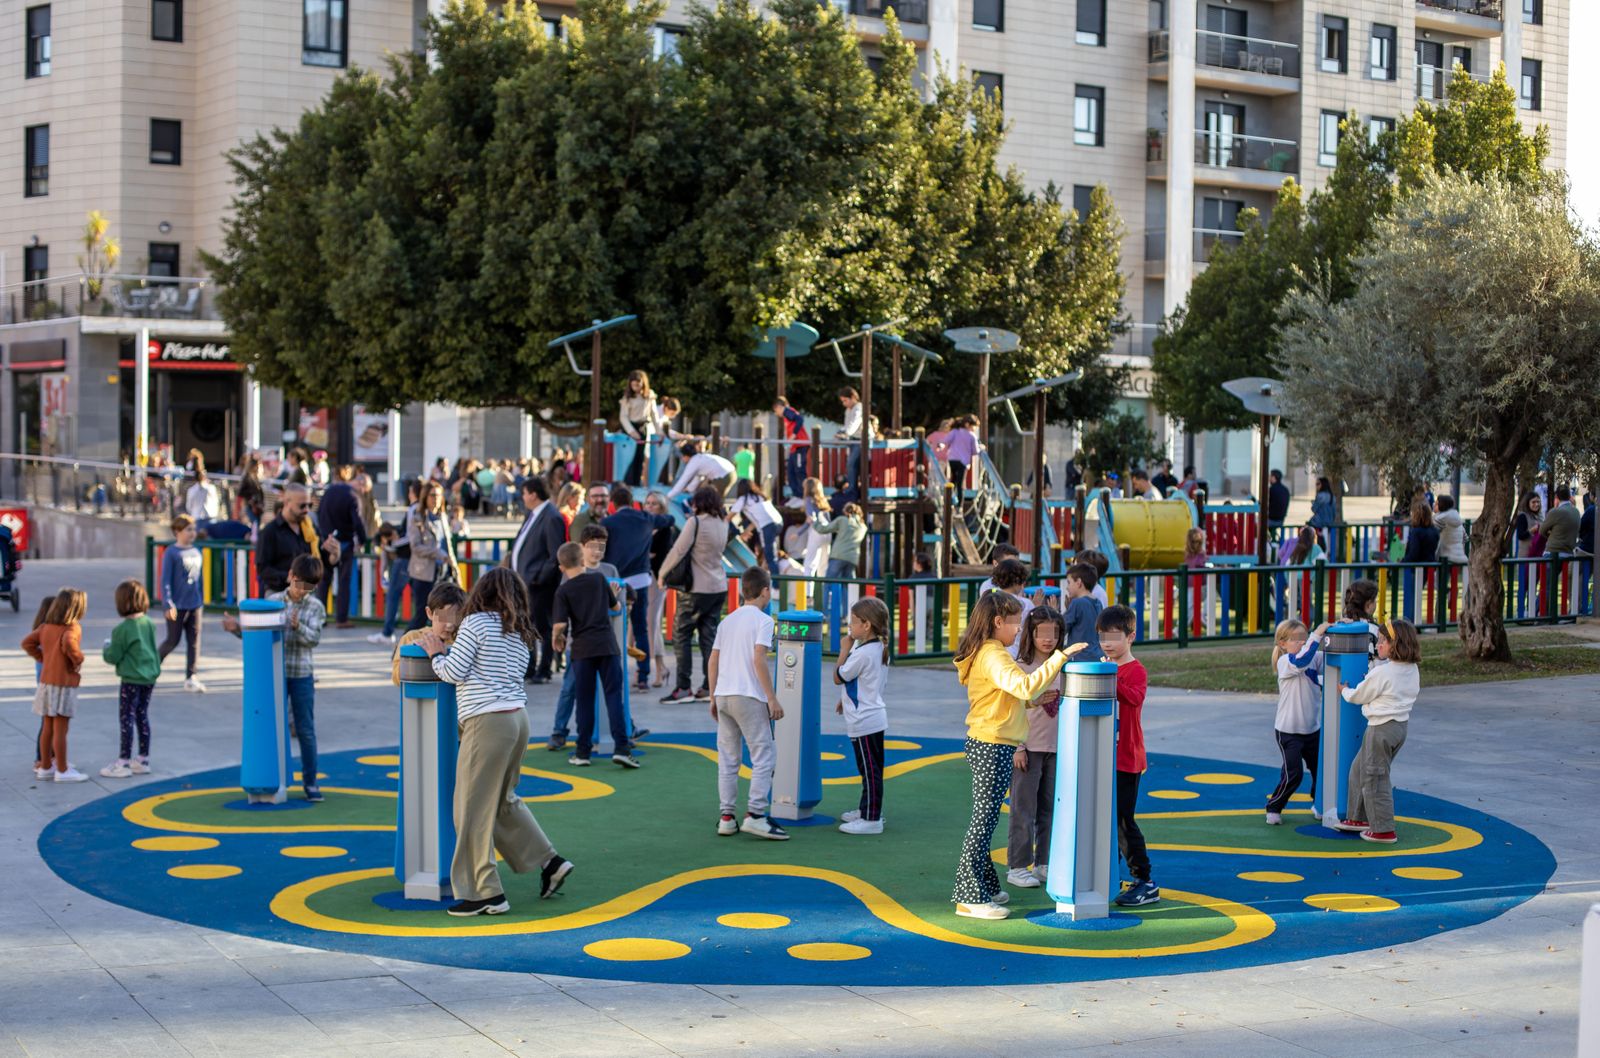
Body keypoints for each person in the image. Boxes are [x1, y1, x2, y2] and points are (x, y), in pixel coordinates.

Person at [417, 567, 573, 915]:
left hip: (487, 722)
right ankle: (550, 861)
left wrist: (435, 653)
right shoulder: (520, 630)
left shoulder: (475, 623)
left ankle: (484, 892)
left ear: (481, 592)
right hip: (518, 720)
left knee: (470, 811)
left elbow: (454, 672)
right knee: (503, 801)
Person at [950, 592, 1081, 920]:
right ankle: (969, 895)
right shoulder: (994, 655)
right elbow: (1022, 686)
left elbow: (1007, 696)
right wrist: (1060, 658)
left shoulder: (991, 653)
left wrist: (1031, 702)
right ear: (998, 623)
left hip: (993, 740)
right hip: (992, 742)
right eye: (1015, 623)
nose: (1019, 630)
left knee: (988, 817)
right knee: (983, 820)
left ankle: (985, 884)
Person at [223, 553, 325, 801]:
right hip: (273, 675)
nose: (302, 591)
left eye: (308, 587)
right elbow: (257, 635)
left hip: (300, 674)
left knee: (305, 730)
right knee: (271, 725)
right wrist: (237, 629)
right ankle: (274, 777)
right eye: (299, 583)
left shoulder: (315, 607)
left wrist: (297, 626)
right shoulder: (273, 601)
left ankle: (310, 782)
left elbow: (314, 639)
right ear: (290, 576)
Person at [708, 566, 788, 840]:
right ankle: (755, 814)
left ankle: (727, 817)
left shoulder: (726, 621)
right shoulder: (764, 621)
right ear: (765, 591)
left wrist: (712, 695)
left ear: (743, 591)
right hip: (748, 695)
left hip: (724, 695)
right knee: (764, 754)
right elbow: (758, 658)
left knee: (728, 759)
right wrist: (771, 697)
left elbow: (713, 660)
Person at [1334, 619, 1421, 844]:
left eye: (1383, 641)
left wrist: (1344, 691)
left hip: (1381, 728)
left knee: (1375, 777)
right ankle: (1358, 817)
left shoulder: (1384, 672)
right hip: (1399, 727)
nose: (1378, 645)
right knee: (1360, 769)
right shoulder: (1411, 669)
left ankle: (1383, 829)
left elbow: (1359, 695)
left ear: (1396, 645)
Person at [552, 542, 638, 769]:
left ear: (561, 568)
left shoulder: (563, 591)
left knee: (585, 701)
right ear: (583, 560)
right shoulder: (599, 580)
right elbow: (616, 608)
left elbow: (560, 624)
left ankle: (582, 751)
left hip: (582, 650)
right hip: (606, 645)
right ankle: (621, 748)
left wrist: (556, 638)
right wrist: (615, 599)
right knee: (613, 697)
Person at [1005, 605, 1070, 888]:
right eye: (1042, 633)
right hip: (1029, 747)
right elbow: (1014, 708)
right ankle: (1018, 866)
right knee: (1023, 808)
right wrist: (1018, 747)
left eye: (1053, 633)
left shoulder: (1063, 667)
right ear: (1030, 634)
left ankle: (1044, 862)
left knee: (1050, 808)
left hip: (1056, 748)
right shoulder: (1021, 667)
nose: (1048, 639)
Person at [1098, 605, 1157, 907]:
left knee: (1123, 820)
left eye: (1113, 637)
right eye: (1102, 637)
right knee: (1102, 818)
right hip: (1103, 756)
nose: (1107, 643)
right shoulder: (1105, 668)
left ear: (1131, 636)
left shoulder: (1136, 671)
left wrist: (1111, 677)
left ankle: (1145, 879)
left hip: (1127, 758)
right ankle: (1109, 873)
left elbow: (1134, 698)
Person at [660, 485, 730, 703]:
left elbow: (678, 550)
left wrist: (662, 573)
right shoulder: (723, 523)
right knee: (709, 637)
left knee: (681, 636)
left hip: (697, 588)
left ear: (699, 503)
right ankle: (710, 686)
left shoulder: (695, 522)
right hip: (719, 586)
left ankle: (683, 687)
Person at [602, 484, 675, 692]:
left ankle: (614, 673)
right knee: (641, 627)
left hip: (617, 581)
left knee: (615, 627)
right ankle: (643, 675)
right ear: (631, 501)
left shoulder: (608, 522)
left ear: (613, 504)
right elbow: (669, 520)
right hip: (641, 579)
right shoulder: (645, 518)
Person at [834, 596, 890, 836]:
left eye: (853, 622)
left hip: (864, 720)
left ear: (866, 625)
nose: (850, 627)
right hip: (872, 716)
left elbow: (839, 676)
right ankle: (867, 809)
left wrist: (843, 650)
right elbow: (866, 682)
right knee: (870, 769)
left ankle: (872, 819)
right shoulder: (877, 648)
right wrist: (844, 699)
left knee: (869, 771)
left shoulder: (860, 653)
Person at [23, 587, 90, 783]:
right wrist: (77, 660)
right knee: (61, 728)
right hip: (63, 683)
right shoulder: (72, 628)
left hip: (46, 682)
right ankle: (62, 769)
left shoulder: (45, 628)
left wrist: (44, 658)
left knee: (48, 727)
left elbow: (27, 643)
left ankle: (45, 766)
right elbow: (69, 644)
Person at [1265, 619, 1328, 825]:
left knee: (1322, 771)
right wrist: (1317, 634)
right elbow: (1302, 660)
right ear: (1283, 644)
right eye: (1296, 639)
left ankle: (1319, 804)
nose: (1302, 642)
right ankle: (1274, 807)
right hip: (1288, 731)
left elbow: (1332, 658)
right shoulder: (1286, 662)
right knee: (1294, 774)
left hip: (1312, 730)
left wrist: (1339, 629)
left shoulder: (1314, 658)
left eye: (1305, 637)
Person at [97, 580, 162, 778]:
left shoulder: (122, 629)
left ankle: (123, 762)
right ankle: (143, 759)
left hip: (131, 678)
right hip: (149, 677)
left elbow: (113, 656)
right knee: (142, 715)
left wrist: (107, 647)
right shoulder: (149, 623)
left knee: (126, 718)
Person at [511, 476, 567, 684]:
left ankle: (544, 669)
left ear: (533, 494)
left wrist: (538, 578)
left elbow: (555, 554)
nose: (523, 497)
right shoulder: (533, 514)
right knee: (527, 625)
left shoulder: (551, 516)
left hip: (539, 585)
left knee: (541, 626)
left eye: (524, 493)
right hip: (524, 582)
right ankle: (530, 667)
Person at [316, 467, 369, 628]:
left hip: (326, 541)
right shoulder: (353, 497)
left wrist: (324, 535)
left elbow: (319, 512)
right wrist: (362, 539)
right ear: (360, 484)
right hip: (344, 543)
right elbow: (357, 521)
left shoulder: (330, 490)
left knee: (324, 581)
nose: (364, 494)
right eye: (365, 490)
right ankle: (341, 618)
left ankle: (320, 618)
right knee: (344, 581)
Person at [159, 514, 207, 692]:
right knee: (173, 640)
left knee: (194, 640)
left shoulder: (196, 551)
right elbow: (165, 580)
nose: (192, 533)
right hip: (176, 606)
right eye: (188, 530)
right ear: (177, 531)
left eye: (193, 529)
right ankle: (153, 666)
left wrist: (200, 600)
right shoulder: (171, 553)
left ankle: (191, 676)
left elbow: (199, 580)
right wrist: (167, 603)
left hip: (194, 604)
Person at [256, 483, 331, 594]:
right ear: (287, 503)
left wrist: (334, 555)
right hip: (279, 593)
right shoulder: (270, 531)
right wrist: (289, 579)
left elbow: (323, 560)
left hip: (307, 593)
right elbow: (263, 568)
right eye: (302, 506)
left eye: (309, 505)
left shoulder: (311, 528)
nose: (306, 510)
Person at [405, 481, 458, 633]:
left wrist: (452, 563)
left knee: (446, 615)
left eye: (439, 495)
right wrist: (437, 553)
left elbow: (447, 544)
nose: (436, 499)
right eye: (433, 495)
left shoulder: (442, 517)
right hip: (423, 573)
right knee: (422, 614)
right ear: (425, 497)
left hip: (443, 571)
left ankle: (444, 647)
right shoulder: (418, 517)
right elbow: (415, 546)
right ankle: (402, 648)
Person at [390, 582, 465, 685]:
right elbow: (396, 679)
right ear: (429, 613)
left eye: (456, 618)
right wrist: (414, 653)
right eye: (444, 617)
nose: (450, 625)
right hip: (419, 698)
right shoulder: (411, 637)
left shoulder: (462, 640)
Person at [644, 492, 677, 688]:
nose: (649, 507)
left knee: (651, 623)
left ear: (662, 508)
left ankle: (657, 668)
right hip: (643, 580)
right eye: (647, 503)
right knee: (644, 625)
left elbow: (660, 556)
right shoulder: (643, 526)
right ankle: (657, 668)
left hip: (657, 580)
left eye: (654, 504)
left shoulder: (665, 529)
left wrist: (648, 555)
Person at [618, 370, 662, 488]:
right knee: (629, 457)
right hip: (631, 429)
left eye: (638, 384)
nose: (636, 388)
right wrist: (632, 431)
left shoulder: (649, 395)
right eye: (633, 385)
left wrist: (660, 432)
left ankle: (636, 483)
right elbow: (623, 417)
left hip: (643, 428)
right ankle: (627, 483)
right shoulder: (627, 398)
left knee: (640, 457)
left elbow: (654, 415)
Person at [730, 479, 783, 573]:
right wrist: (747, 531)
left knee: (770, 557)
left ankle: (775, 585)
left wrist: (738, 532)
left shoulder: (743, 499)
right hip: (778, 522)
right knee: (768, 553)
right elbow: (758, 520)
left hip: (768, 526)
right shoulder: (760, 496)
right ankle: (765, 573)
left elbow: (729, 517)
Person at [667, 440, 737, 501]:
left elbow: (683, 481)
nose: (682, 459)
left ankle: (718, 514)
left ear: (686, 456)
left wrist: (667, 496)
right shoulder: (700, 458)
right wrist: (688, 489)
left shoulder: (693, 462)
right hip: (731, 472)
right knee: (715, 498)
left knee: (712, 499)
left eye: (682, 457)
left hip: (723, 476)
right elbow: (697, 478)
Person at [773, 396, 810, 499]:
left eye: (776, 410)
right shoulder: (786, 416)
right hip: (795, 447)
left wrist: (793, 435)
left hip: (800, 445)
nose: (776, 413)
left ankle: (802, 496)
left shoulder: (787, 412)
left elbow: (800, 419)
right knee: (790, 472)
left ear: (779, 407)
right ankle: (797, 495)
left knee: (799, 471)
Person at [820, 502, 867, 579]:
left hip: (838, 555)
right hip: (852, 558)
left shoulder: (842, 520)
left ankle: (827, 592)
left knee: (828, 581)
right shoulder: (863, 527)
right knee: (848, 584)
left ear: (846, 511)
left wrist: (815, 522)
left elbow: (824, 529)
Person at [1062, 564, 1103, 652]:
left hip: (1078, 657)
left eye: (1069, 582)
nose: (1067, 587)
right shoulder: (1098, 602)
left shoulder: (1077, 603)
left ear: (1079, 583)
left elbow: (1062, 627)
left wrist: (1053, 612)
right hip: (1096, 654)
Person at [942, 415, 978, 506]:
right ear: (967, 425)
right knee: (960, 483)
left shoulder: (954, 431)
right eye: (973, 426)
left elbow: (946, 440)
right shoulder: (971, 436)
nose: (974, 429)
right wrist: (981, 448)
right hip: (963, 461)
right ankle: (959, 506)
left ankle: (949, 500)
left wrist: (940, 445)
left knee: (953, 479)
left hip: (952, 459)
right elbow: (975, 451)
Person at [801, 477, 832, 577]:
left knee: (810, 563)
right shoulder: (823, 501)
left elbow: (811, 518)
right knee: (824, 564)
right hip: (827, 530)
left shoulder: (808, 500)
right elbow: (828, 519)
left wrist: (798, 533)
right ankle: (824, 591)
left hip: (817, 530)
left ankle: (808, 592)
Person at [837, 387, 864, 493]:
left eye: (845, 400)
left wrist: (846, 433)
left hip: (861, 440)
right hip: (853, 440)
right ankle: (853, 487)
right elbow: (847, 425)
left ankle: (851, 489)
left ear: (853, 397)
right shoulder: (848, 410)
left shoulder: (859, 408)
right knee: (852, 464)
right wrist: (841, 432)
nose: (844, 404)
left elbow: (854, 423)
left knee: (851, 463)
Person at [1542, 485, 1580, 556]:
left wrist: (1553, 534)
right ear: (1569, 496)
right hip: (1569, 552)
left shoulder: (1555, 511)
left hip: (1553, 552)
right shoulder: (1576, 512)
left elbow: (1542, 530)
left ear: (1556, 497)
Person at [1400, 499, 1439, 564]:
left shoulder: (1416, 532)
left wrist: (1401, 562)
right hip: (1431, 567)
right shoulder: (1434, 530)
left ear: (1415, 516)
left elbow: (1413, 555)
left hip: (1418, 569)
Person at [1435, 495, 1468, 564]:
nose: (1434, 505)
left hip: (1445, 558)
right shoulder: (1457, 518)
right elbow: (1465, 538)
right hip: (1460, 557)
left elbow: (1432, 534)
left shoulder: (1440, 519)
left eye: (1436, 503)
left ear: (1441, 505)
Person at [1514, 492, 1545, 558]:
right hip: (1526, 556)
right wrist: (1532, 530)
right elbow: (1520, 535)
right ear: (1527, 503)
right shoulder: (1522, 516)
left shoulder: (1540, 516)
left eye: (1538, 502)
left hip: (1539, 555)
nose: (1536, 504)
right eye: (1533, 502)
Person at [1310, 477, 1336, 542]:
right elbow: (1334, 512)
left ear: (1323, 484)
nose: (1316, 486)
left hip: (1318, 522)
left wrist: (1313, 503)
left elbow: (1314, 509)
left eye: (1318, 484)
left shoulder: (1320, 495)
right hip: (1329, 522)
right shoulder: (1332, 496)